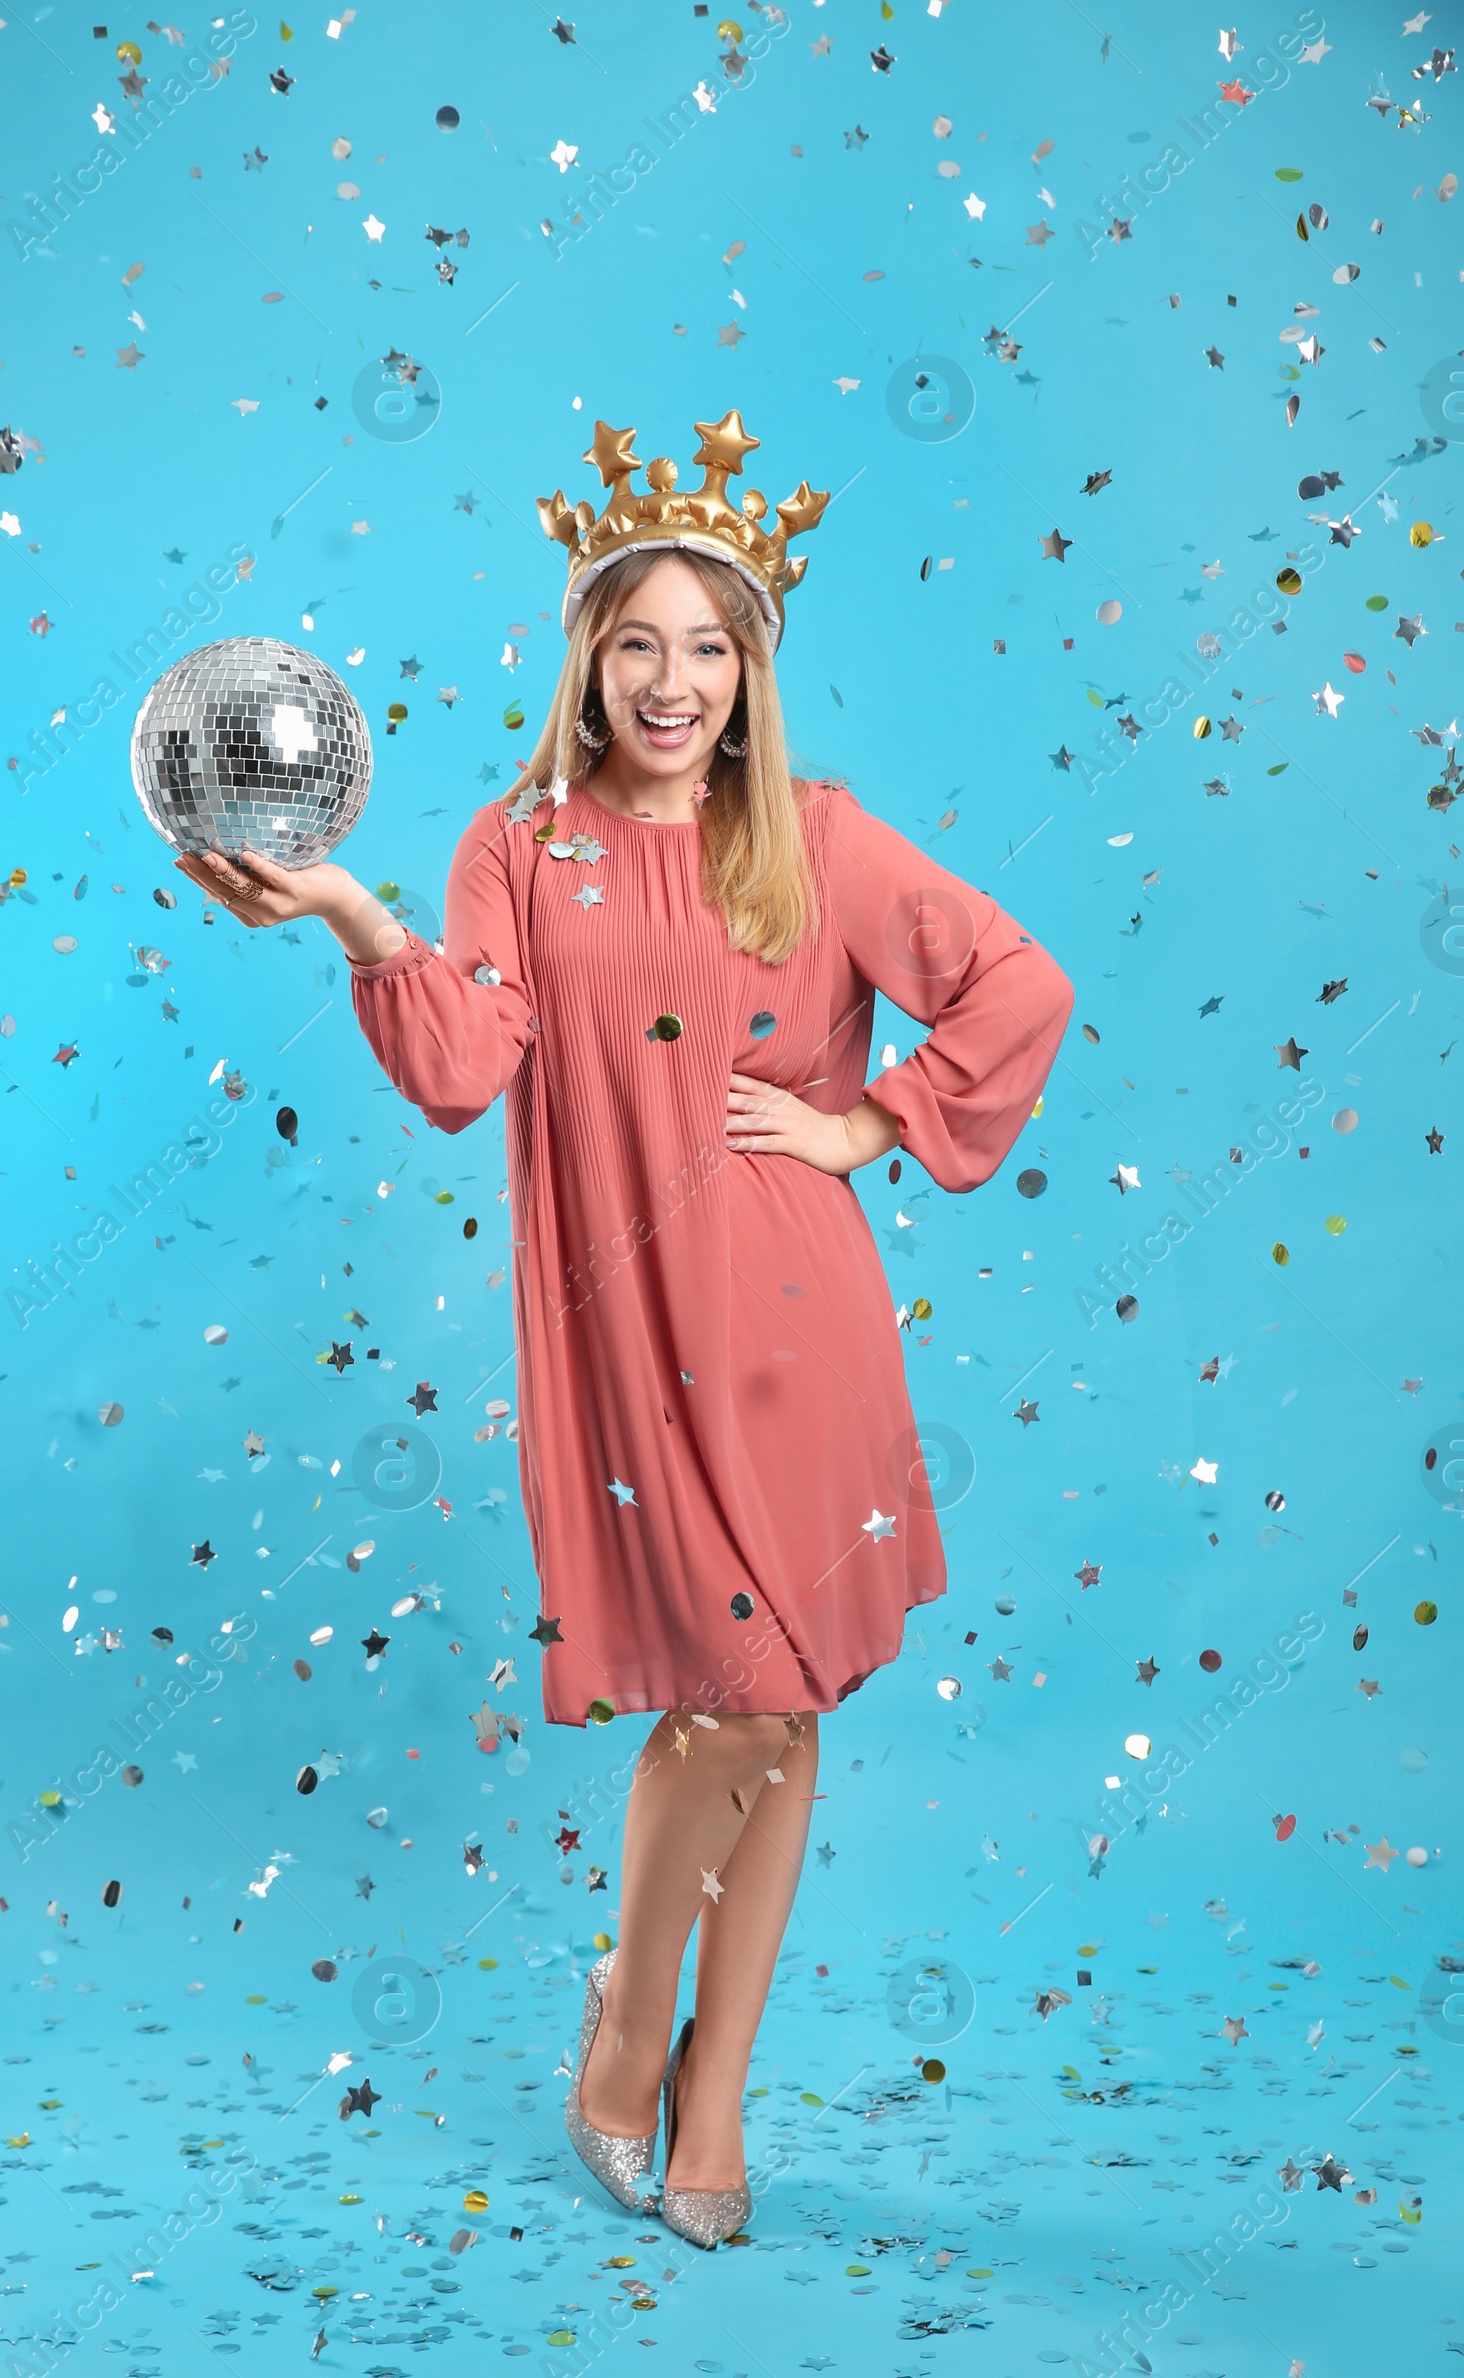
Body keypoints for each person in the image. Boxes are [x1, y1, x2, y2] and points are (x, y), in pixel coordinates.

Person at [177, 410, 1074, 2248]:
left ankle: (697, 2082)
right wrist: (353, 913)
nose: (676, 681)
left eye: (711, 645)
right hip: (622, 1322)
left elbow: (1019, 981)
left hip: (798, 1314)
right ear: (589, 658)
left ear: (752, 673)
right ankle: (631, 2031)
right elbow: (461, 1062)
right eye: (641, 642)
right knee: (731, 1702)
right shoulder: (517, 844)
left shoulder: (814, 838)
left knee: (780, 1704)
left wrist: (866, 1123)